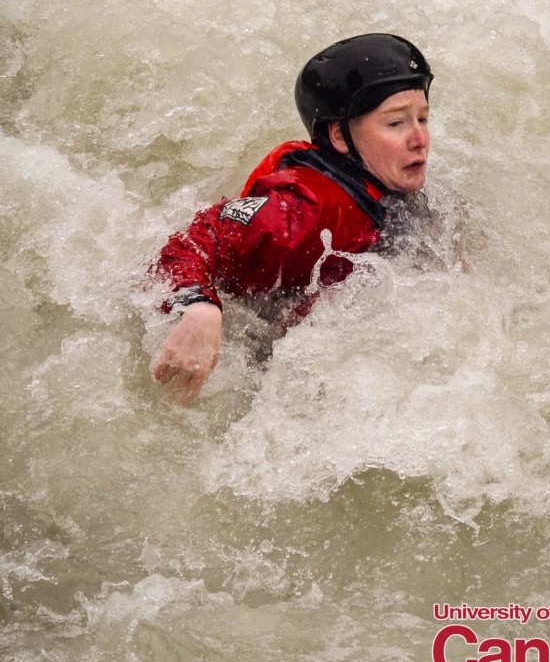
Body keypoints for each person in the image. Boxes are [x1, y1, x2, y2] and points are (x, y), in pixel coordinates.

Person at [152, 32, 434, 404]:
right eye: (396, 124)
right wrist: (199, 309)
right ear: (339, 136)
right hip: (257, 361)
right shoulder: (305, 211)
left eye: (423, 119)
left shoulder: (390, 184)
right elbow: (196, 241)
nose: (420, 139)